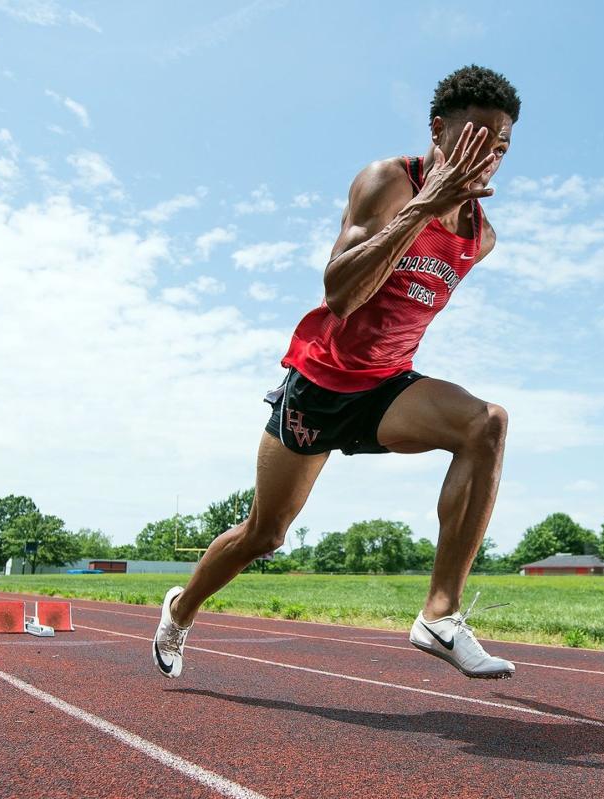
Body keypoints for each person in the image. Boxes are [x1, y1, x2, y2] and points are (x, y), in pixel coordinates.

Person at [153, 65, 521, 680]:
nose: (488, 158)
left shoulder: (481, 238)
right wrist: (426, 206)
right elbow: (342, 295)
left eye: (501, 148)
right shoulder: (388, 182)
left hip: (386, 389)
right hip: (320, 385)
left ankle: (440, 616)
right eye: (475, 140)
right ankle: (181, 608)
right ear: (438, 130)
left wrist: (446, 212)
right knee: (265, 534)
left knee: (486, 425)